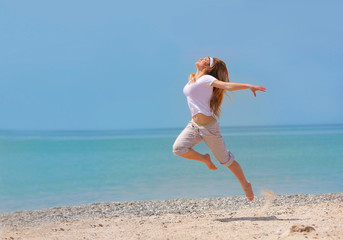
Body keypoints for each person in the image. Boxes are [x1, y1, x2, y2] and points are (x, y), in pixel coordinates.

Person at [172, 56, 266, 201]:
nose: (202, 58)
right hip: (194, 125)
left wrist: (248, 86)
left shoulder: (206, 79)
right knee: (178, 149)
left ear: (209, 67)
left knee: (226, 161)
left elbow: (227, 86)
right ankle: (205, 159)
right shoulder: (192, 79)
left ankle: (246, 185)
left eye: (206, 59)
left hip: (209, 129)